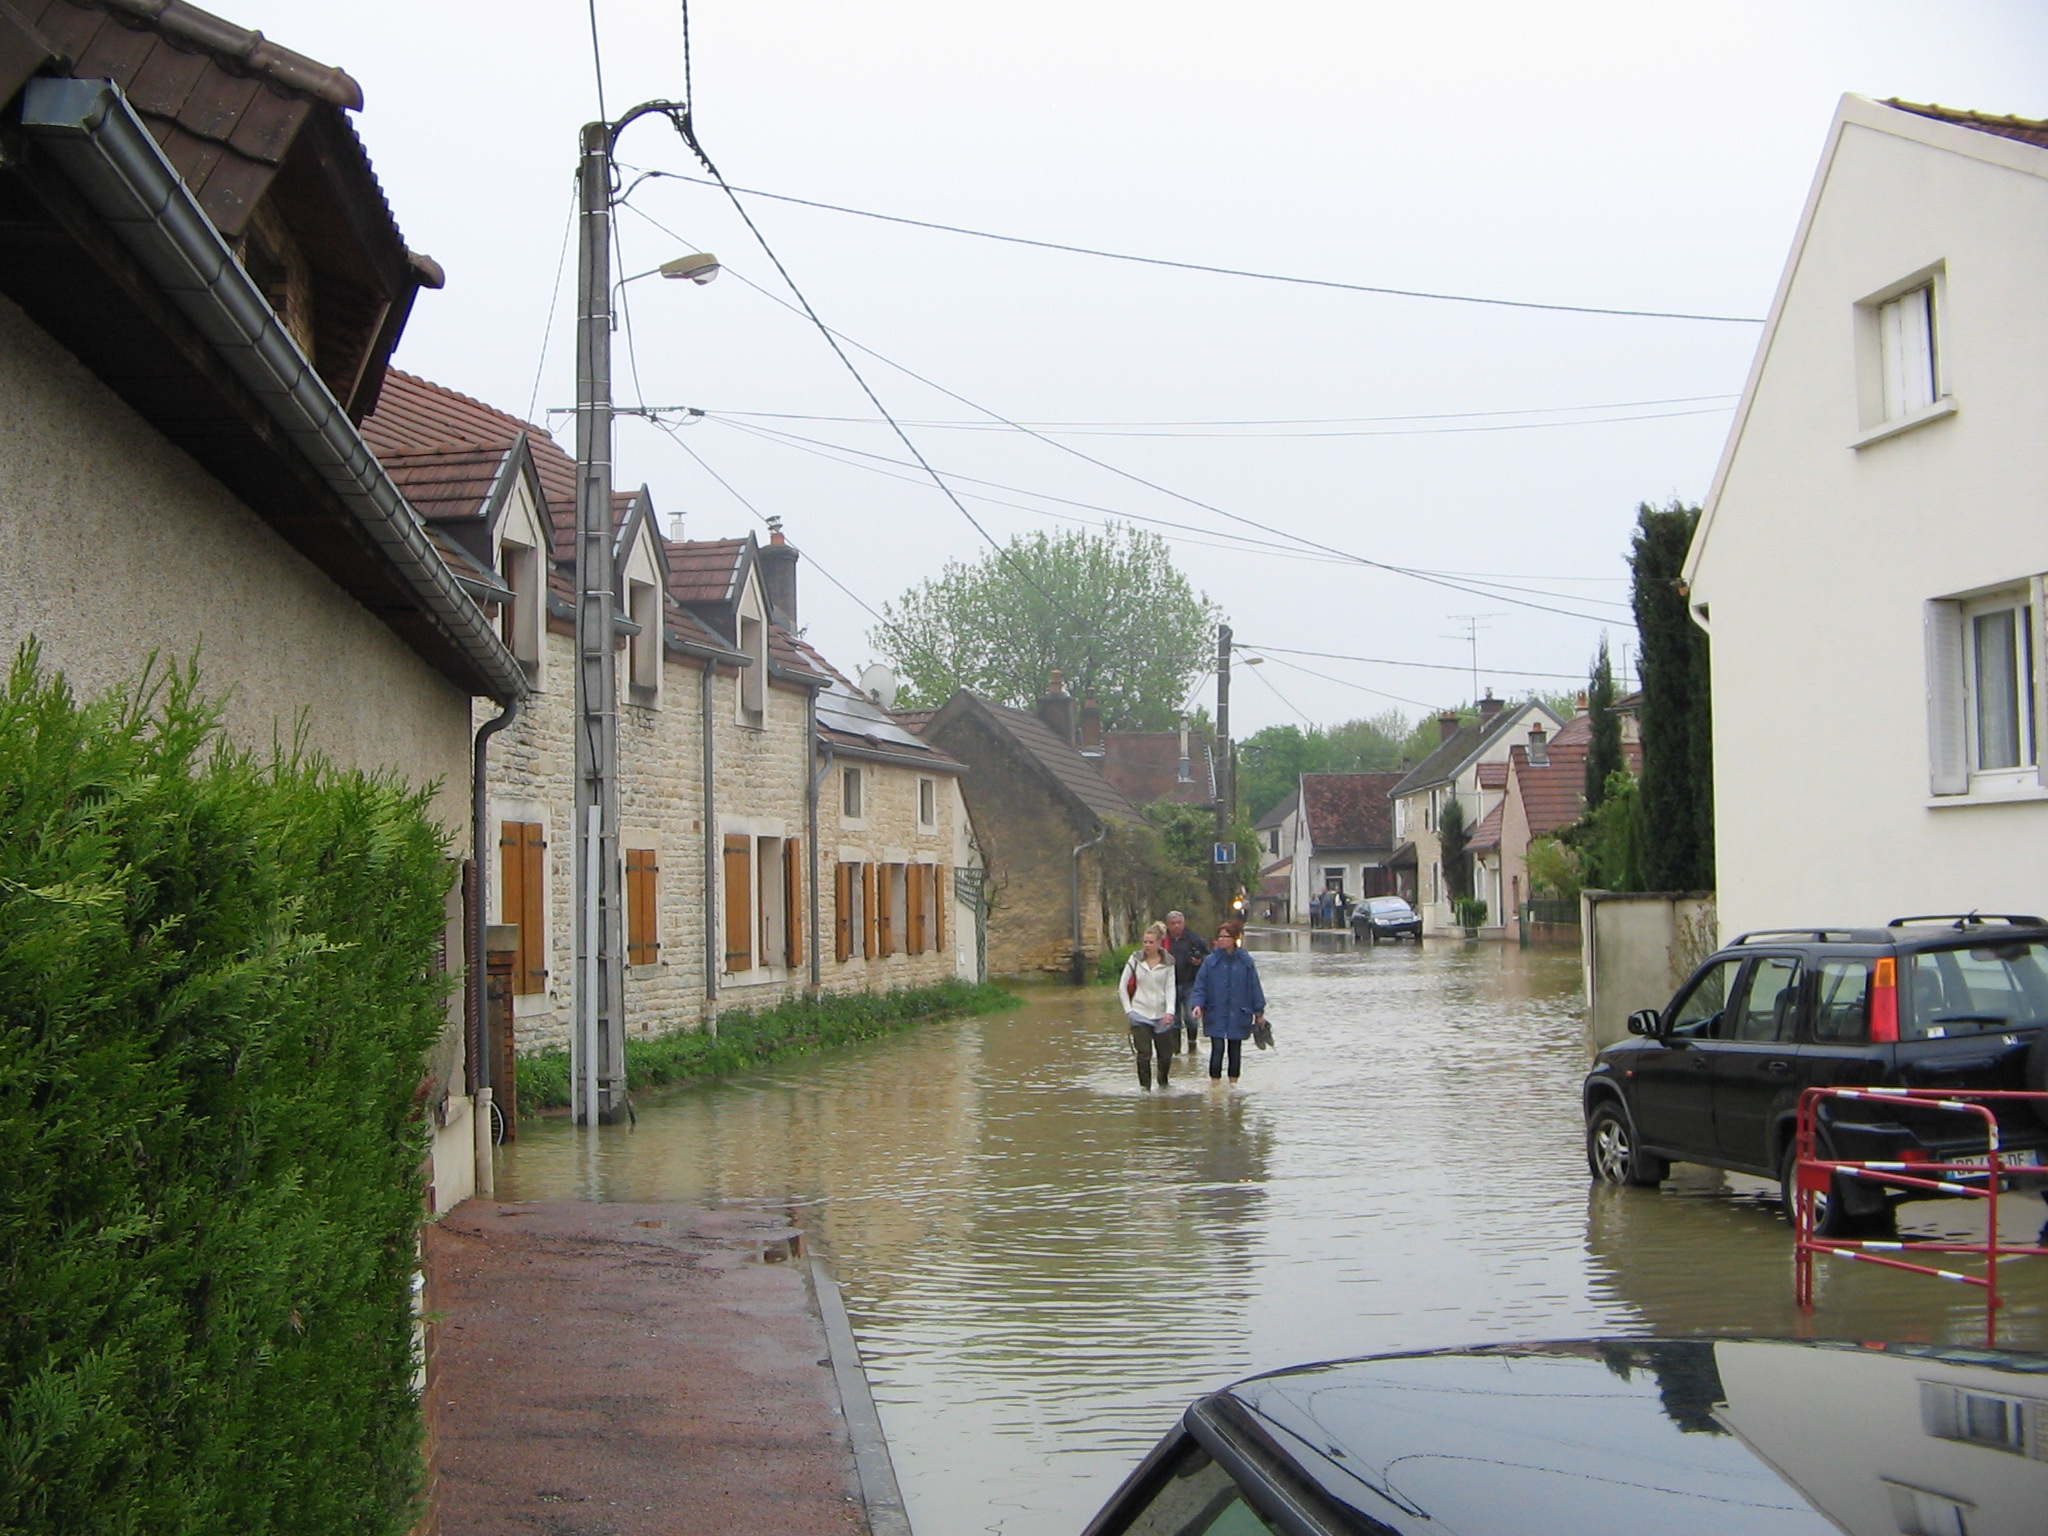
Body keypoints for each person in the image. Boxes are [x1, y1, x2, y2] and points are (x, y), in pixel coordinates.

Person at [1190, 919, 1268, 1085]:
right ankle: (1215, 1085)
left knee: (1235, 1049)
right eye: (1220, 936)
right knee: (1217, 1048)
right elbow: (1200, 986)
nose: (1222, 940)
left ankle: (1233, 1085)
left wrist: (1259, 1013)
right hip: (1215, 1012)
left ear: (1234, 938)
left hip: (1239, 1013)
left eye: (1226, 936)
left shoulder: (1246, 962)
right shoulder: (1210, 962)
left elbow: (1254, 987)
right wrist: (1198, 1005)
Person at [1117, 922, 1179, 1089]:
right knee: (1144, 1055)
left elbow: (1170, 989)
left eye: (1151, 942)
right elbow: (1122, 986)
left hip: (1161, 1015)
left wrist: (1170, 1011)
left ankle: (1163, 1084)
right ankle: (1145, 1089)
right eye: (1145, 942)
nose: (1147, 945)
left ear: (1159, 943)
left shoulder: (1168, 962)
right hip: (1139, 1013)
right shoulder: (1135, 959)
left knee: (1165, 1056)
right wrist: (1129, 1011)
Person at [1164, 910, 1209, 1053]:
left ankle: (1192, 1045)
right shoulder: (1163, 941)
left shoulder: (1194, 939)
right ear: (1168, 925)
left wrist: (1200, 961)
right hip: (1169, 986)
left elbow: (1209, 957)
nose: (1176, 926)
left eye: (1179, 923)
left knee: (1191, 1018)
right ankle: (1176, 1051)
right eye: (1173, 924)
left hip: (1191, 984)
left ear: (1184, 924)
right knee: (1174, 1021)